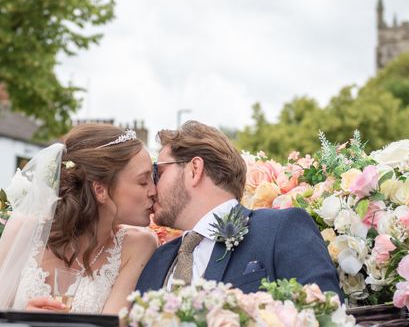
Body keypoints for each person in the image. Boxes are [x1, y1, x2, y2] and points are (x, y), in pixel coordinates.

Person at [136, 121, 342, 296]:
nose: (152, 188)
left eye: (158, 172)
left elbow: (327, 322)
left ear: (194, 170)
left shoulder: (280, 230)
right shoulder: (156, 261)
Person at [0, 124, 158, 315]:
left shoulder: (139, 245)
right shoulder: (24, 231)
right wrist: (22, 319)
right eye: (143, 181)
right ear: (100, 190)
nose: (153, 191)